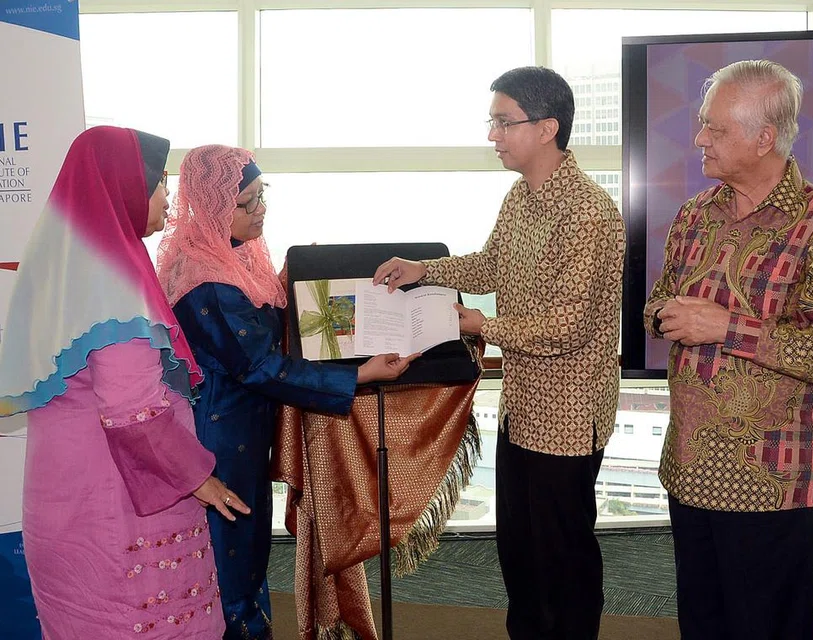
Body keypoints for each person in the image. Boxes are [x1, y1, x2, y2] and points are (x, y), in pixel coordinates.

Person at [373, 66, 624, 640]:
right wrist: (424, 270)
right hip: (522, 407)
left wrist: (479, 321)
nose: (492, 135)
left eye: (502, 122)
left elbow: (568, 325)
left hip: (566, 414)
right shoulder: (521, 197)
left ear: (547, 128)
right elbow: (490, 266)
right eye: (492, 121)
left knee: (562, 556)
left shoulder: (588, 212)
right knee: (519, 549)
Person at [644, 60, 813, 640]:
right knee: (703, 625)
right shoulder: (696, 213)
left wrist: (726, 327)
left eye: (714, 130)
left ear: (764, 138)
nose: (698, 139)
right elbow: (658, 304)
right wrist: (668, 315)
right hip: (690, 470)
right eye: (700, 125)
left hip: (769, 482)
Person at [0, 126, 250, 638]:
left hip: (62, 503)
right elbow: (132, 409)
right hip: (118, 509)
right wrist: (198, 478)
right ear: (120, 185)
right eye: (156, 183)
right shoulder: (112, 278)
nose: (165, 199)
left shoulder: (59, 266)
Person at [156, 144, 414, 639]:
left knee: (248, 551)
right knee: (228, 560)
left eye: (262, 196)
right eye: (247, 202)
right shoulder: (203, 279)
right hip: (218, 440)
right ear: (213, 207)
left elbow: (258, 321)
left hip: (244, 431)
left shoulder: (231, 252)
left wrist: (291, 282)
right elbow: (258, 365)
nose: (261, 211)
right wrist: (357, 377)